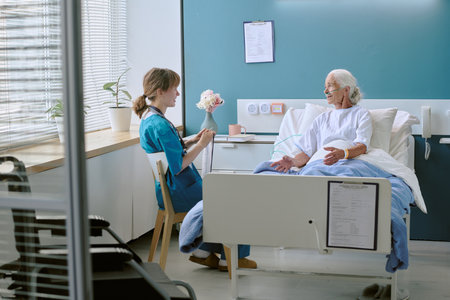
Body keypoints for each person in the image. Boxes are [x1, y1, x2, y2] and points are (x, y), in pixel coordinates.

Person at [133, 67, 256, 271]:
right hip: (181, 190)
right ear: (160, 91)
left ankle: (202, 252)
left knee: (222, 196)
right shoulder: (161, 125)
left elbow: (169, 150)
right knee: (232, 198)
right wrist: (202, 145)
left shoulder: (148, 118)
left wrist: (192, 140)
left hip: (169, 190)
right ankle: (232, 257)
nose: (178, 94)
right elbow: (177, 166)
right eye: (175, 89)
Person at [271, 69, 372, 172]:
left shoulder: (361, 114)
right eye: (325, 87)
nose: (325, 91)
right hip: (321, 164)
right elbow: (307, 152)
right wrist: (293, 161)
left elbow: (362, 146)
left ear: (346, 90)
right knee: (266, 168)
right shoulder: (322, 118)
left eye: (330, 85)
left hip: (348, 164)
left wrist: (343, 153)